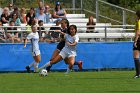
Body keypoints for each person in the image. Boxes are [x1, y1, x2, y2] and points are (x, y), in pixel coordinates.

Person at [133, 10, 140, 78]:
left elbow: (138, 32)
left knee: (136, 57)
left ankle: (138, 73)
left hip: (139, 40)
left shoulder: (139, 21)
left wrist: (135, 41)